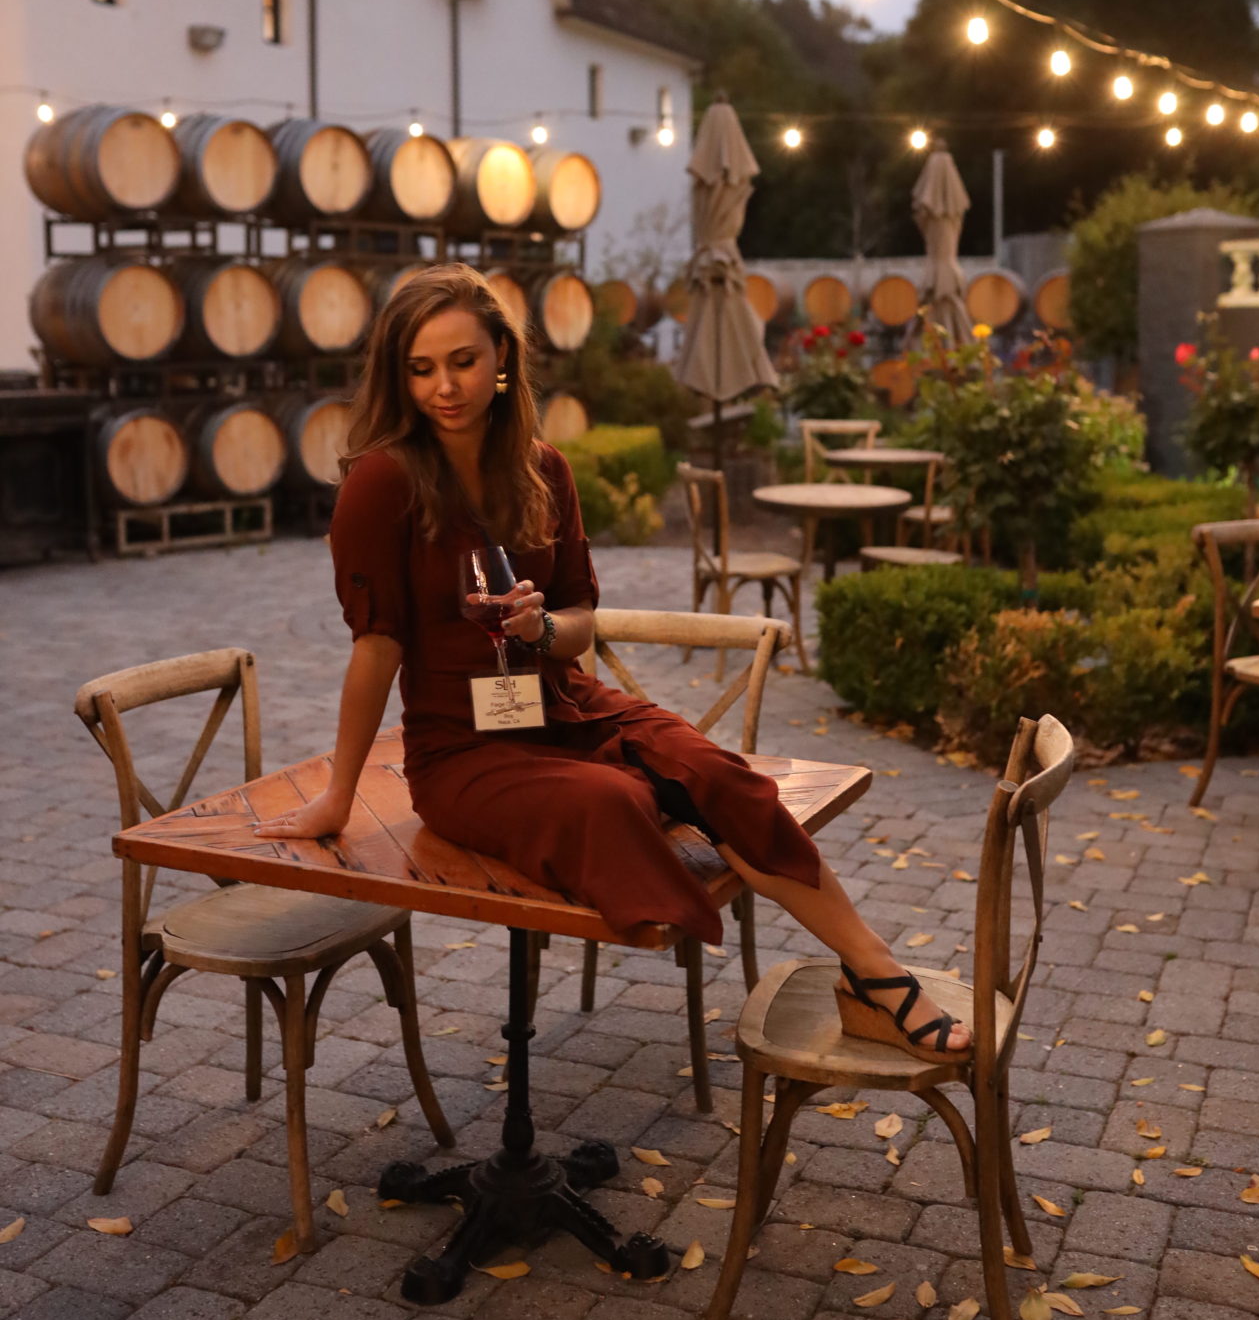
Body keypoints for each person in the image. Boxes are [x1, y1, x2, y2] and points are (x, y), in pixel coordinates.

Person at [253, 265, 969, 1064]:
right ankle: (664, 827)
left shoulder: (543, 468)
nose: (443, 387)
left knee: (723, 777)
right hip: (465, 750)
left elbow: (580, 624)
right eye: (420, 369)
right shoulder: (382, 483)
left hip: (568, 705)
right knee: (614, 802)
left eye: (461, 361)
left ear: (500, 359)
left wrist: (540, 626)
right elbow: (376, 647)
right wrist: (339, 795)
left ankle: (874, 975)